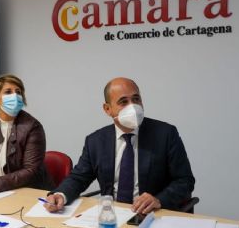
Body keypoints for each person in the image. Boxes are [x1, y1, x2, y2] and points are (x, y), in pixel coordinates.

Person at [45, 77, 195, 214]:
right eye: (123, 102)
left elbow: (185, 180)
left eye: (136, 99)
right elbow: (78, 177)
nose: (133, 107)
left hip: (151, 214)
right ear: (107, 109)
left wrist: (159, 200)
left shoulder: (165, 134)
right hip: (112, 216)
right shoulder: (96, 141)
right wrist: (60, 194)